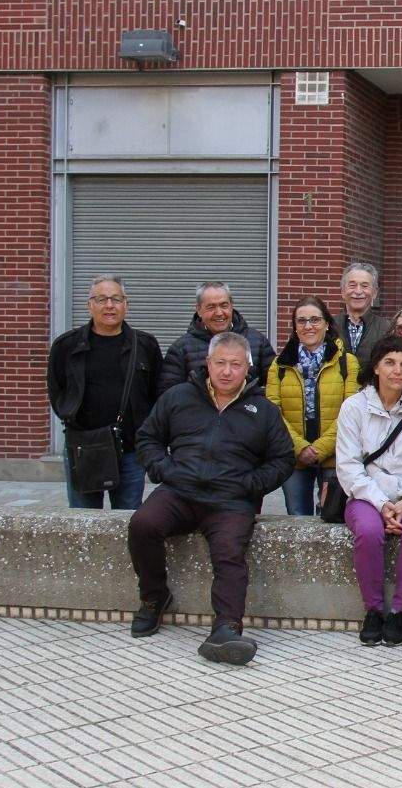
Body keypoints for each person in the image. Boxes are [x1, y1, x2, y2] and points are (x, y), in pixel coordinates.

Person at [128, 331, 295, 666]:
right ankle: (154, 598)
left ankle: (226, 629)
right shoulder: (178, 397)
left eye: (235, 364)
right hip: (179, 491)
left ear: (247, 368)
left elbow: (283, 460)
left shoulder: (262, 410)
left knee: (230, 553)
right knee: (143, 524)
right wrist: (165, 470)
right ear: (208, 363)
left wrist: (250, 484)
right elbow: (147, 438)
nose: (227, 371)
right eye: (220, 363)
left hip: (231, 501)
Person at [335, 333, 402, 648]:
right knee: (368, 532)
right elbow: (349, 466)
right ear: (377, 368)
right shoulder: (354, 408)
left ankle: (398, 612)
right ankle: (373, 609)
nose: (397, 370)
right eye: (390, 363)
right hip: (367, 494)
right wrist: (382, 504)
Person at [46, 273, 163, 510]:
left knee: (128, 520)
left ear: (126, 305)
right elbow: (57, 391)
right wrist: (72, 417)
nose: (109, 305)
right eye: (101, 299)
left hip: (131, 450)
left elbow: (156, 393)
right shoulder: (66, 346)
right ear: (90, 305)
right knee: (83, 521)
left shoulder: (145, 346)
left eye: (116, 299)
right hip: (83, 447)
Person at [267, 296, 359, 517]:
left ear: (327, 324)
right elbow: (273, 412)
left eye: (315, 320)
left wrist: (319, 449)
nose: (308, 326)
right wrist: (300, 448)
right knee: (297, 517)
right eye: (301, 321)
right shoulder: (279, 365)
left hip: (334, 456)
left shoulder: (347, 363)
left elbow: (351, 412)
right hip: (293, 457)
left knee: (332, 516)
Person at [159, 282, 276, 392]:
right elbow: (169, 395)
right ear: (199, 310)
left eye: (224, 305)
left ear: (231, 305)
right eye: (211, 307)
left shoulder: (258, 342)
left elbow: (274, 386)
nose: (219, 312)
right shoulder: (180, 349)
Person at [334, 263, 391, 361]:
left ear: (375, 293)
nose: (358, 291)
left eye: (365, 286)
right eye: (352, 285)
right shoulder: (330, 326)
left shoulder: (387, 328)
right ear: (342, 291)